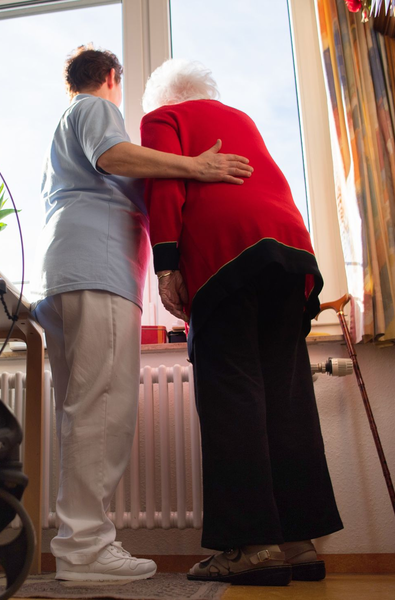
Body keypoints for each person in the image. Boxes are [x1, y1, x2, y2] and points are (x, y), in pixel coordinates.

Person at [31, 46, 253, 583]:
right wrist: (196, 166)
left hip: (65, 272)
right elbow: (115, 157)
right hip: (96, 270)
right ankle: (85, 550)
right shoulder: (95, 108)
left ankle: (78, 544)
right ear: (111, 77)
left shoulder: (64, 128)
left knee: (83, 411)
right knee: (104, 409)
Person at [140, 59, 343, 586]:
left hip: (226, 253)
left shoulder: (164, 120)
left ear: (161, 97)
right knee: (285, 393)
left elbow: (165, 186)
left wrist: (166, 266)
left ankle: (252, 548)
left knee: (232, 394)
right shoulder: (241, 119)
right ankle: (298, 544)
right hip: (289, 250)